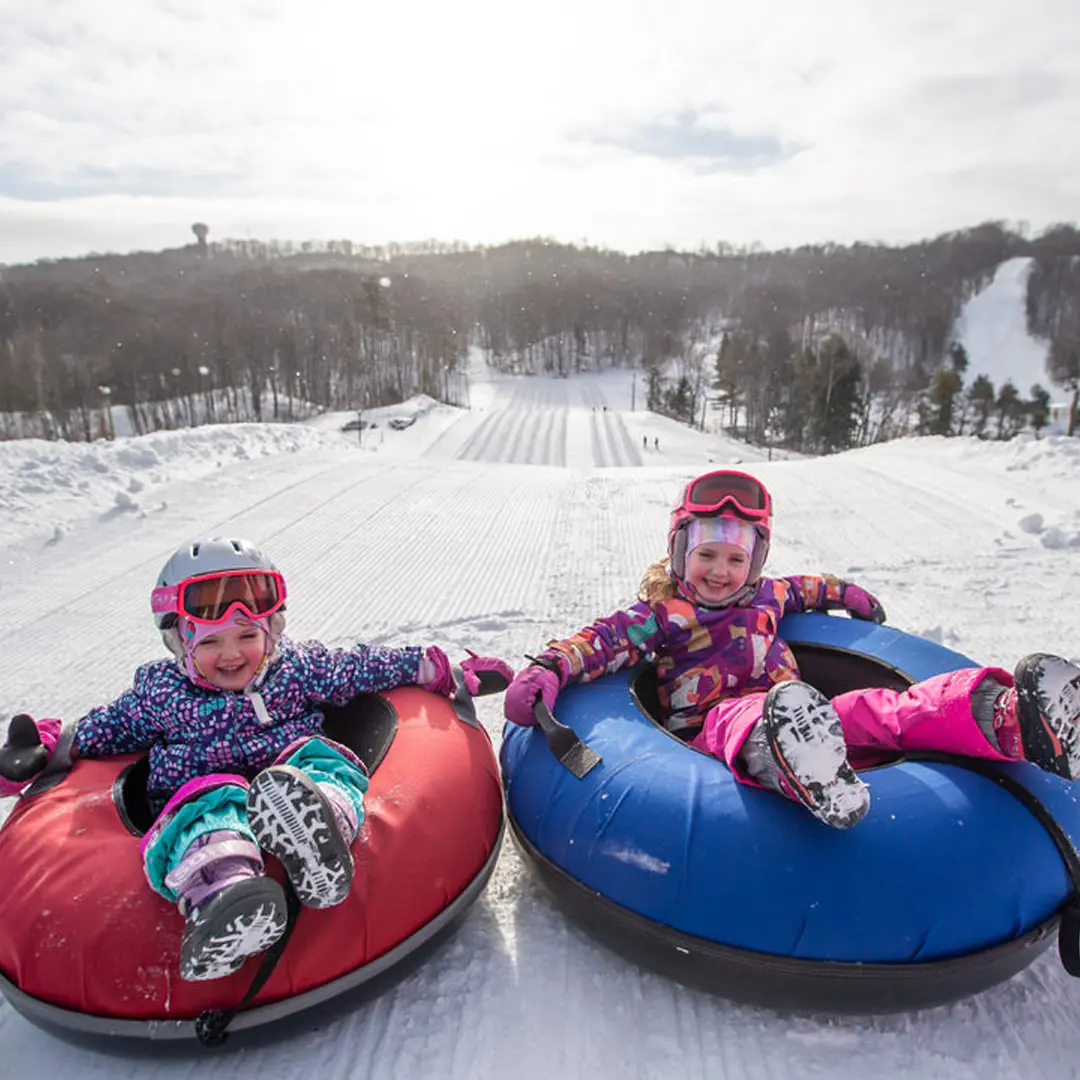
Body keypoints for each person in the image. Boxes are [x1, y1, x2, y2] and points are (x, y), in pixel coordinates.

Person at [0, 537, 513, 983]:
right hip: (205, 791)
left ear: (272, 632)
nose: (232, 654)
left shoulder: (298, 669)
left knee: (324, 762)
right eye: (211, 642)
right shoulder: (159, 693)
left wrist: (439, 669)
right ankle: (229, 903)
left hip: (288, 779)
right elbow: (106, 728)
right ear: (179, 642)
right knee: (203, 809)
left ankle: (318, 829)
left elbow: (362, 667)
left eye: (248, 636)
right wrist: (49, 745)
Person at [504, 469, 1080, 830]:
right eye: (706, 555)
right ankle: (799, 764)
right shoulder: (663, 615)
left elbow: (809, 588)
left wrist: (845, 593)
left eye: (736, 559)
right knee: (748, 716)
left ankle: (1008, 718)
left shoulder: (771, 595)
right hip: (717, 728)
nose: (720, 572)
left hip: (802, 710)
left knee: (881, 709)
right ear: (679, 552)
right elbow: (602, 640)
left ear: (755, 561)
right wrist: (550, 667)